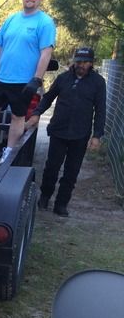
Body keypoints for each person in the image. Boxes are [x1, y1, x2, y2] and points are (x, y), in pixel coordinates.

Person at [0, 0, 57, 162]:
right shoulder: (11, 19)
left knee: (17, 116)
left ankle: (9, 152)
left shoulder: (45, 23)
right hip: (1, 77)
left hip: (23, 81)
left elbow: (46, 53)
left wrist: (36, 79)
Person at [24, 47, 106, 217]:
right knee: (52, 167)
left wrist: (97, 135)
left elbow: (101, 109)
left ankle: (61, 204)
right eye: (78, 62)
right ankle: (45, 197)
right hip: (59, 130)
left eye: (84, 62)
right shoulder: (63, 78)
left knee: (72, 171)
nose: (80, 65)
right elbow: (48, 97)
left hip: (80, 133)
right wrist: (37, 113)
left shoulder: (98, 82)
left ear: (91, 63)